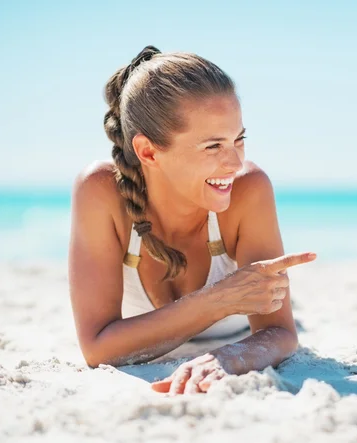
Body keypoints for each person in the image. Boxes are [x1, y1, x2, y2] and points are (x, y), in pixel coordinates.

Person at [68, 45, 316, 395]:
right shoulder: (102, 192)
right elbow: (96, 348)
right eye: (213, 146)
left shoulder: (249, 190)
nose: (234, 163)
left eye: (239, 140)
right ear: (148, 151)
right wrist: (220, 299)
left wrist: (230, 357)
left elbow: (281, 333)